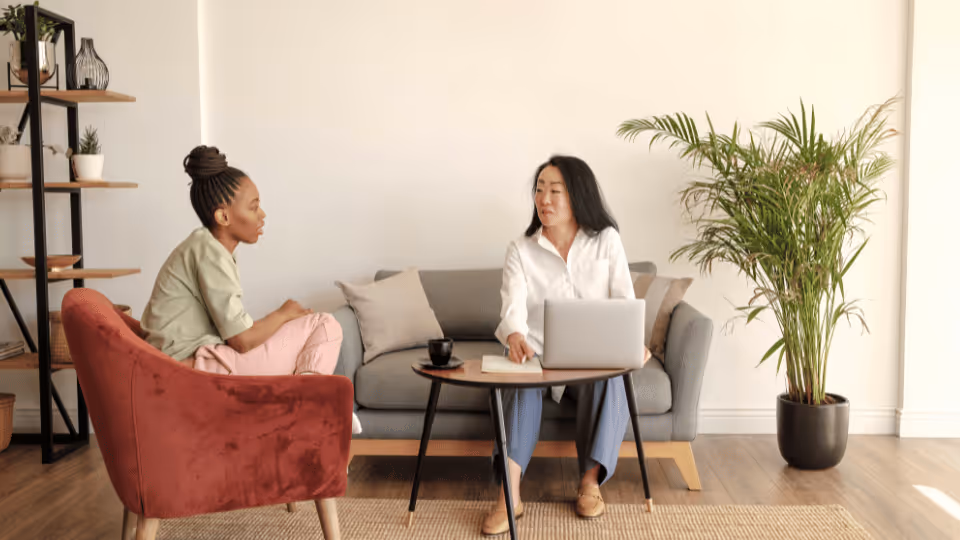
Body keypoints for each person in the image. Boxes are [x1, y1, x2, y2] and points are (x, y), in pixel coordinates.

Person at [141, 145, 361, 434]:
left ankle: (308, 402)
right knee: (324, 325)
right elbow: (242, 340)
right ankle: (311, 405)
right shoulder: (209, 252)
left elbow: (236, 334)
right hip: (196, 369)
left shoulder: (206, 246)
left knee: (311, 331)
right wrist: (282, 314)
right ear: (223, 217)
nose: (262, 215)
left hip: (201, 362)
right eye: (254, 207)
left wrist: (283, 319)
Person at [482, 155, 645, 535]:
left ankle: (589, 484)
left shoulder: (606, 240)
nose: (544, 199)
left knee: (614, 378)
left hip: (592, 359)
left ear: (577, 195)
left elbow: (624, 302)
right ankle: (509, 495)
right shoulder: (520, 248)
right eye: (539, 190)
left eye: (555, 190)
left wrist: (630, 343)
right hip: (538, 356)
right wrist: (515, 336)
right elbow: (512, 307)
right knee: (520, 379)